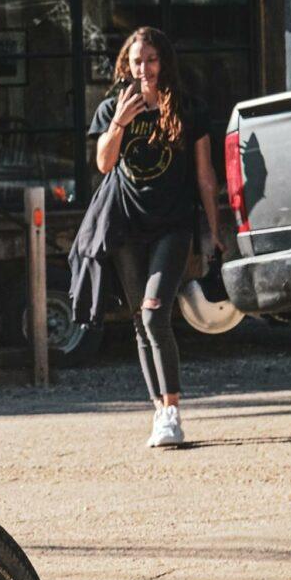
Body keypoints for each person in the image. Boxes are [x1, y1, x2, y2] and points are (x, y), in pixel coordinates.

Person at [65, 27, 227, 449]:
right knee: (140, 319)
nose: (144, 68)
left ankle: (172, 411)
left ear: (164, 62)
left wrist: (213, 230)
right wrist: (120, 121)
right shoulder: (111, 109)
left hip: (172, 225)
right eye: (137, 61)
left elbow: (206, 176)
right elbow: (104, 163)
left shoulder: (188, 109)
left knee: (156, 313)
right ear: (127, 65)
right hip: (125, 225)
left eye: (151, 59)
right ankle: (160, 412)